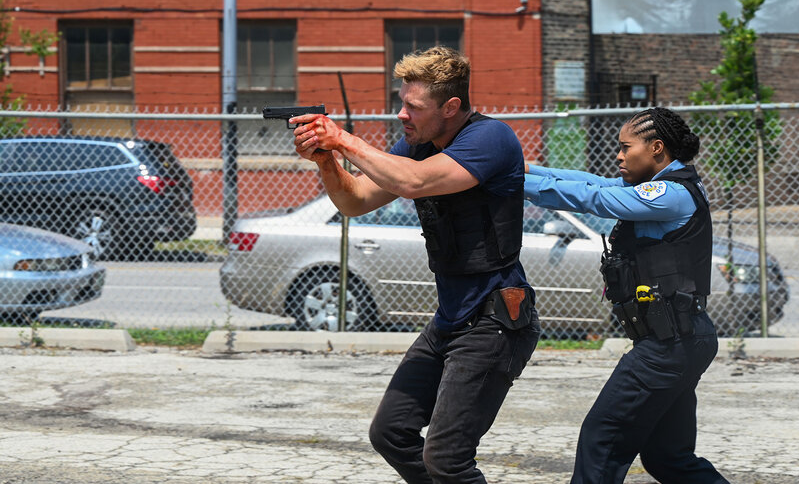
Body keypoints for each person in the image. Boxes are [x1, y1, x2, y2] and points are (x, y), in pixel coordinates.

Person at [291, 45, 541, 484]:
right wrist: (326, 160)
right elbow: (355, 200)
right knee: (392, 432)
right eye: (400, 102)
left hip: (494, 321)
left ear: (451, 107)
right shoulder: (417, 143)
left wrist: (342, 138)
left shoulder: (491, 139)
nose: (402, 115)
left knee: (447, 459)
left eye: (412, 106)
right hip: (450, 319)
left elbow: (413, 182)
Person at [524, 107, 729, 484]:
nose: (618, 156)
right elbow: (592, 182)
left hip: (669, 346)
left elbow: (595, 200)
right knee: (668, 457)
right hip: (681, 339)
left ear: (656, 148)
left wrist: (505, 180)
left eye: (625, 147)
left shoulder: (670, 194)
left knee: (601, 442)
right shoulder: (667, 186)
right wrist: (525, 170)